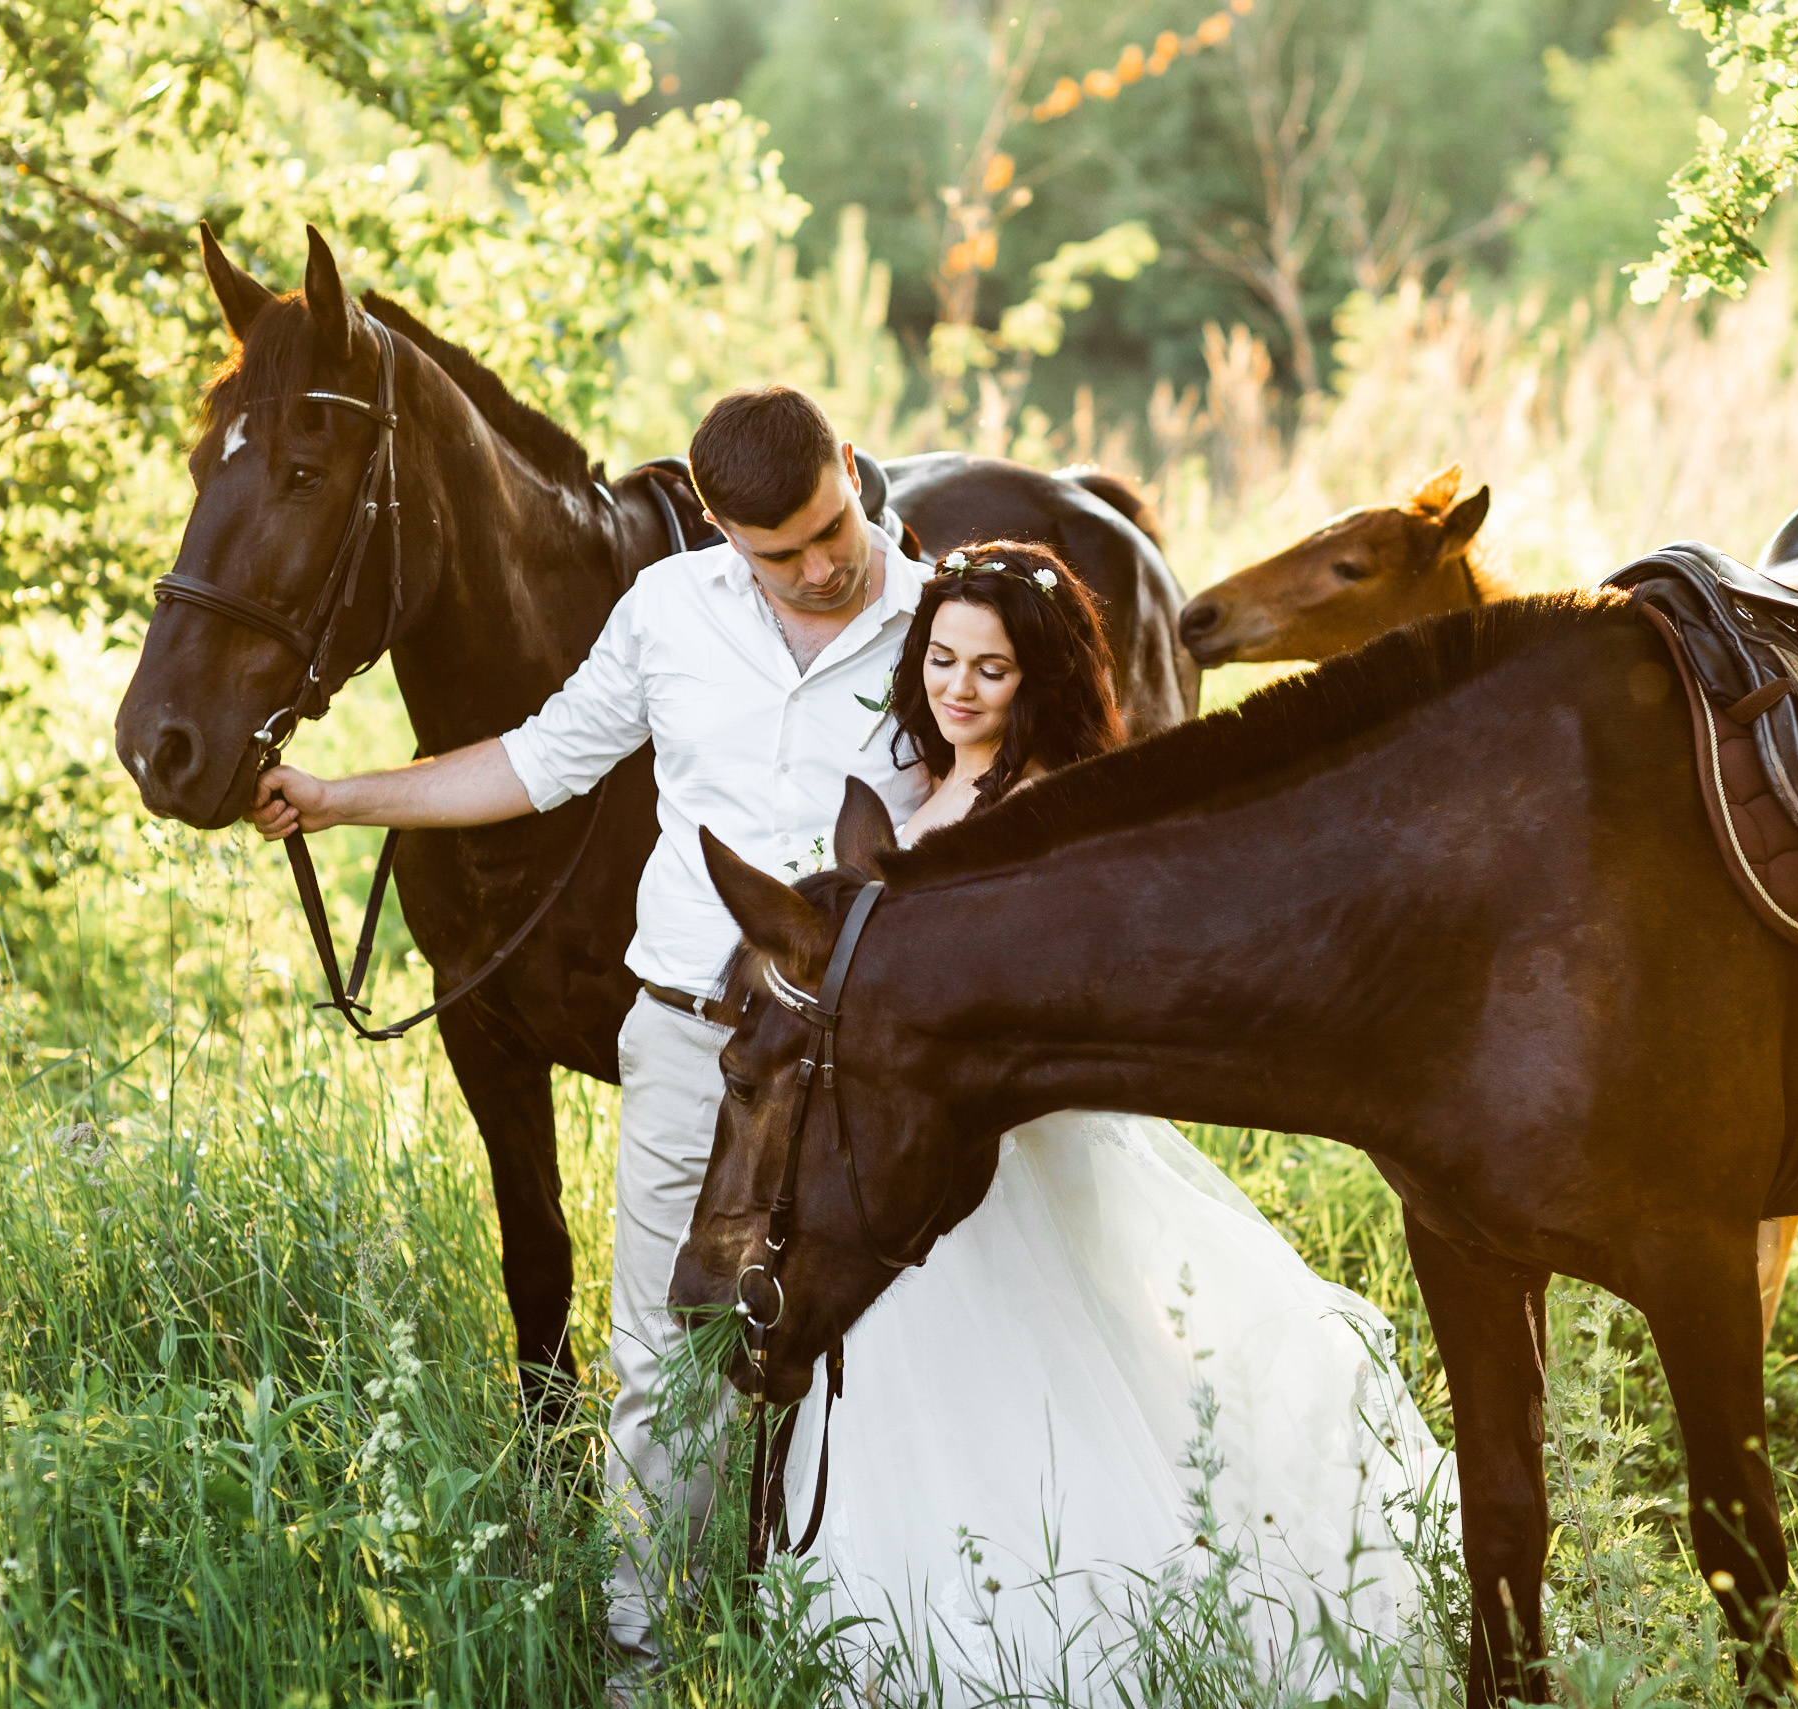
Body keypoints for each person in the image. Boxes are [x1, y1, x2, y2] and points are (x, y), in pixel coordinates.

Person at [244, 385, 935, 1679]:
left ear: (851, 469)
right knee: (661, 1362)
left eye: (829, 529)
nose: (816, 567)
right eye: (774, 550)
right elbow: (540, 759)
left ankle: (852, 1643)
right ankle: (647, 1654)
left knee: (870, 1348)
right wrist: (338, 797)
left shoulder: (938, 619)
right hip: (690, 1039)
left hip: (871, 1056)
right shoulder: (670, 612)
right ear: (716, 525)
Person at [769, 540, 1454, 1705]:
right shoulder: (893, 793)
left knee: (1052, 1392)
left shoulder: (1048, 816)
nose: (959, 688)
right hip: (886, 1151)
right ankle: (895, 1652)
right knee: (895, 1384)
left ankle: (1063, 1654)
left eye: (992, 668)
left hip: (1012, 1161)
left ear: (1039, 678)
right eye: (940, 659)